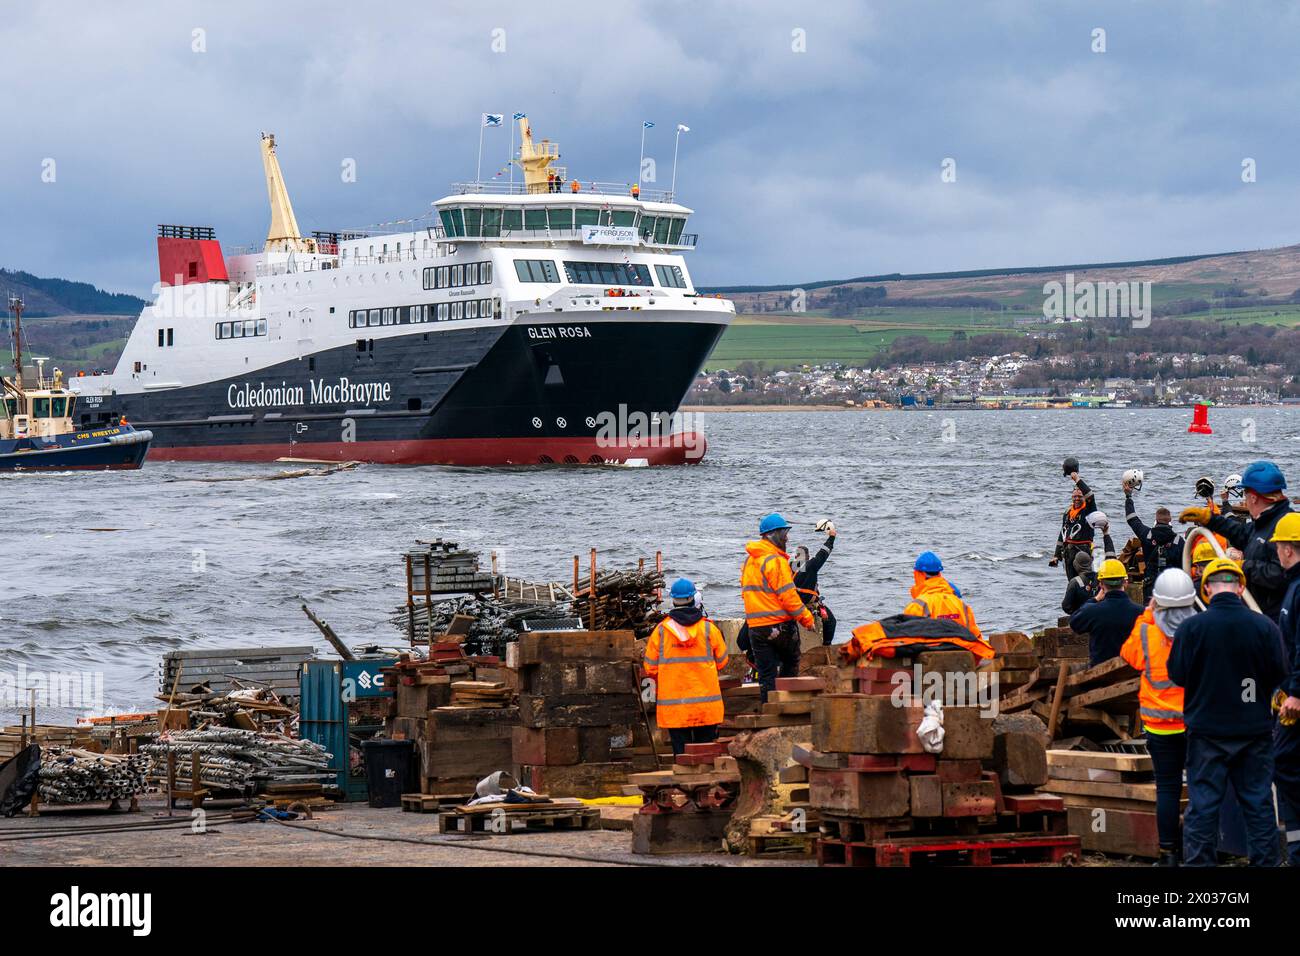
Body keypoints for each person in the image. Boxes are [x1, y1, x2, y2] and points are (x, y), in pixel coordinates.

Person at [1167, 558, 1286, 867]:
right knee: (1258, 805)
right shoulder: (1265, 627)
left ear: (1206, 589)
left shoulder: (1191, 628)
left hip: (1207, 731)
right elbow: (1279, 674)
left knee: (1203, 806)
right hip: (1254, 731)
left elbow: (1177, 674)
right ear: (1241, 587)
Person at [1119, 568, 1197, 866]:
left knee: (1167, 788)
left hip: (1159, 726)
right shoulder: (1197, 630)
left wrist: (1146, 616)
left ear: (1156, 601)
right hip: (1193, 723)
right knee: (1199, 787)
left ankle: (1168, 854)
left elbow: (1129, 655)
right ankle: (1198, 849)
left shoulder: (1146, 631)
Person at [1181, 460, 1293, 620]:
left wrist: (1243, 566)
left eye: (1245, 495)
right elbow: (1240, 533)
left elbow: (1281, 576)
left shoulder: (1285, 526)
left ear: (1253, 497)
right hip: (1258, 613)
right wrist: (1210, 519)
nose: (1245, 500)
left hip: (1274, 618)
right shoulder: (1265, 522)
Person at [643, 578, 729, 757]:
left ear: (673, 600)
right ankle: (708, 784)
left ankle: (683, 784)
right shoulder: (708, 629)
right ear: (693, 598)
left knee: (682, 758)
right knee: (706, 756)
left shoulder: (661, 631)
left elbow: (650, 668)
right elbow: (722, 662)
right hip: (705, 708)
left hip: (675, 709)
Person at [741, 513, 816, 702]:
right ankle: (787, 708)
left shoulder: (749, 561)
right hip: (780, 626)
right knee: (790, 668)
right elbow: (789, 597)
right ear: (773, 535)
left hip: (756, 628)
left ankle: (769, 709)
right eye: (784, 533)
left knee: (766, 676)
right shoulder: (776, 561)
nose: (787, 538)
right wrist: (807, 619)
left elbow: (747, 593)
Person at [1269, 513, 1300, 865]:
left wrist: (1295, 692)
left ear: (1289, 549)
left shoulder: (1298, 590)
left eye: (1278, 545)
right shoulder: (1292, 587)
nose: (1276, 550)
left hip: (1295, 702)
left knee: (1282, 761)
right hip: (1289, 693)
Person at [1069, 558, 1142, 665]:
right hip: (1133, 671)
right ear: (1125, 583)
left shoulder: (1092, 611)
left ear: (1101, 585)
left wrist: (1094, 599)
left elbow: (1074, 622)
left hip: (1100, 675)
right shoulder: (1141, 612)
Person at [903, 551, 984, 643]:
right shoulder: (961, 605)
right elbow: (976, 638)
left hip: (929, 655)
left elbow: (908, 641)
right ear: (939, 574)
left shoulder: (917, 606)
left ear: (918, 574)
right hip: (962, 654)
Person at [1123, 483, 1185, 602]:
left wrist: (1128, 497)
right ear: (1170, 521)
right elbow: (1184, 566)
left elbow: (1132, 519)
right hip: (1172, 588)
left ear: (1156, 520)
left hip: (1151, 587)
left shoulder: (1147, 535)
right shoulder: (1179, 541)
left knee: (1150, 613)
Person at [1049, 458, 1099, 580]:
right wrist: (1056, 556)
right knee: (1072, 582)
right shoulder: (1068, 512)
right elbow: (1062, 534)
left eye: (1079, 496)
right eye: (1075, 496)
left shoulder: (1088, 511)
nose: (1077, 498)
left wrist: (1077, 479)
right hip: (1068, 553)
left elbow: (1090, 495)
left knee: (1085, 581)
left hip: (1083, 552)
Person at [792, 521, 838, 645]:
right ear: (807, 556)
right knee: (831, 621)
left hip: (792, 606)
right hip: (808, 606)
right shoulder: (811, 565)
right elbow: (824, 553)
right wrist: (832, 536)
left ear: (796, 557)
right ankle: (826, 646)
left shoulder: (790, 567)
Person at [1061, 550, 1098, 615]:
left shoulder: (1074, 582)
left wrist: (1077, 614)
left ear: (1075, 565)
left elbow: (1066, 606)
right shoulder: (1100, 578)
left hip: (1082, 619)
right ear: (1090, 562)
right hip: (1099, 616)